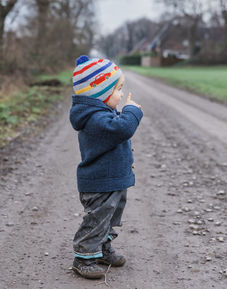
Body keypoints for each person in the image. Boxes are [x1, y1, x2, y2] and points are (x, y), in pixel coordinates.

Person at [69, 55, 143, 279]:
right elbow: (122, 129)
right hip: (100, 183)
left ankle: (101, 249)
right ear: (101, 93)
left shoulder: (102, 114)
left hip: (112, 181)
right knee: (97, 218)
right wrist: (131, 111)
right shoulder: (94, 118)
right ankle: (83, 256)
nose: (121, 95)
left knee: (110, 218)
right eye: (118, 90)